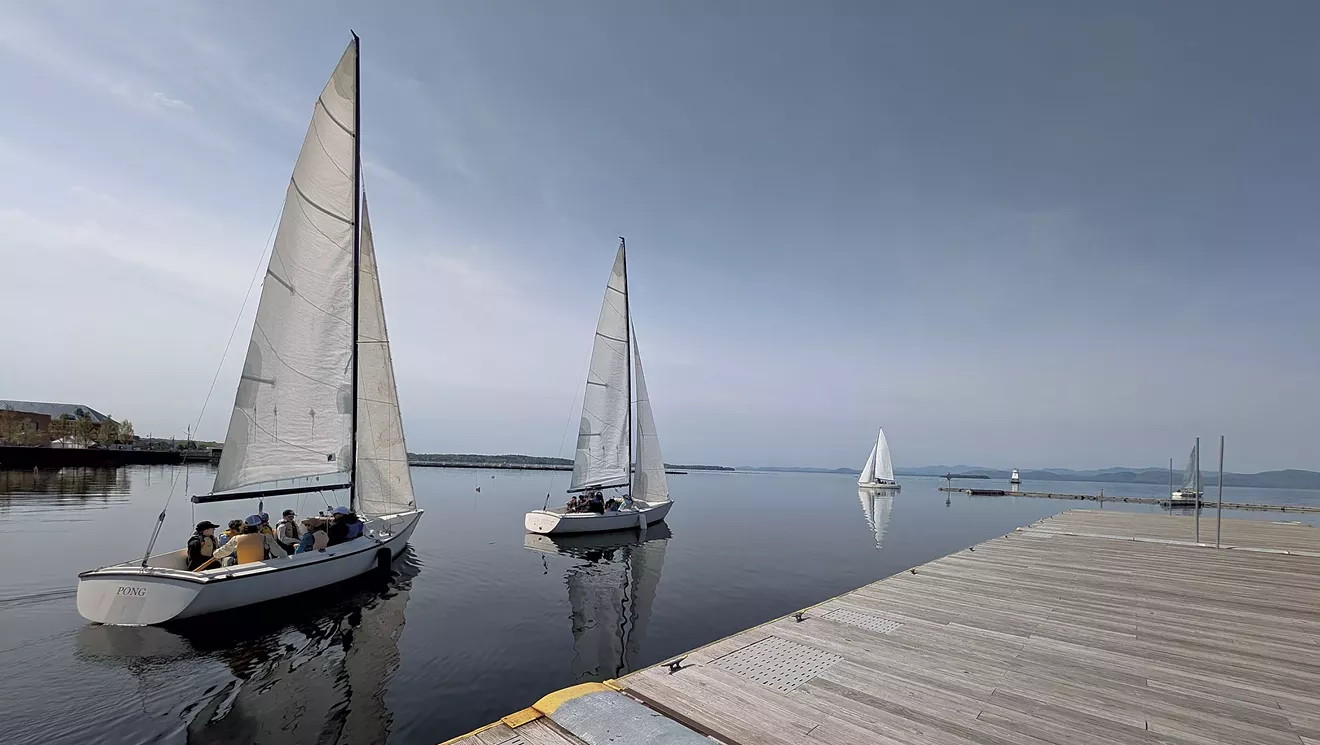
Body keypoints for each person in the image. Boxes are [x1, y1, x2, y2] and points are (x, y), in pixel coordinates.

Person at [212, 514, 285, 565]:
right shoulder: (266, 538)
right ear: (258, 526)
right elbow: (280, 553)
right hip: (262, 569)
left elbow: (217, 554)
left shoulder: (236, 539)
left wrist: (215, 553)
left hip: (243, 570)